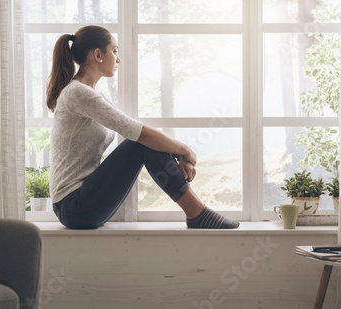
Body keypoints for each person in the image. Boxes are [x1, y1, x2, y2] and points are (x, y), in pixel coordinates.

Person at [47, 25, 239, 230]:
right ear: (97, 54)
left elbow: (138, 130)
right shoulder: (78, 93)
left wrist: (177, 150)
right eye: (114, 50)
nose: (118, 59)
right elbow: (138, 133)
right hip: (73, 207)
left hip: (82, 204)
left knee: (145, 141)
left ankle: (197, 213)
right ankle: (197, 213)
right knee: (140, 143)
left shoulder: (90, 94)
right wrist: (186, 151)